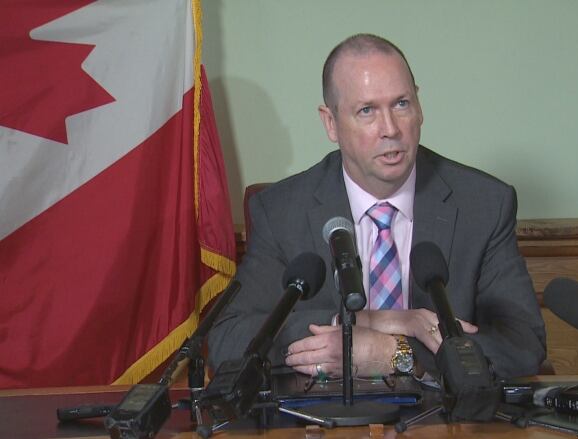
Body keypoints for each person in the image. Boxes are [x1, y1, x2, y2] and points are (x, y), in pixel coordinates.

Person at [207, 33, 546, 379]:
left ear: (419, 107)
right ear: (331, 123)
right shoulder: (282, 211)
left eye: (401, 104)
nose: (390, 129)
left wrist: (393, 354)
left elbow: (522, 345)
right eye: (367, 110)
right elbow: (227, 339)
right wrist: (366, 322)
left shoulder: (483, 205)